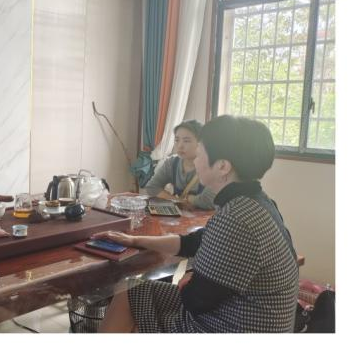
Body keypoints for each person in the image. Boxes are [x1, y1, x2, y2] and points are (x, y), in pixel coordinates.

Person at [95, 115, 299, 333]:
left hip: (229, 326)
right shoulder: (258, 202)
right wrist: (134, 240)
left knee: (132, 299)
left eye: (200, 152)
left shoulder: (236, 219)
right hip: (241, 314)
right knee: (129, 292)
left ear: (222, 166)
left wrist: (189, 279)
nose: (196, 160)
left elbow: (195, 301)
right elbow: (193, 242)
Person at [144, 120, 215, 210]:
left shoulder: (212, 166)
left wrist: (189, 199)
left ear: (201, 143)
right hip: (181, 215)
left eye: (186, 141)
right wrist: (179, 201)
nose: (180, 146)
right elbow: (152, 187)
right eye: (177, 140)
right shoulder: (172, 163)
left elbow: (208, 201)